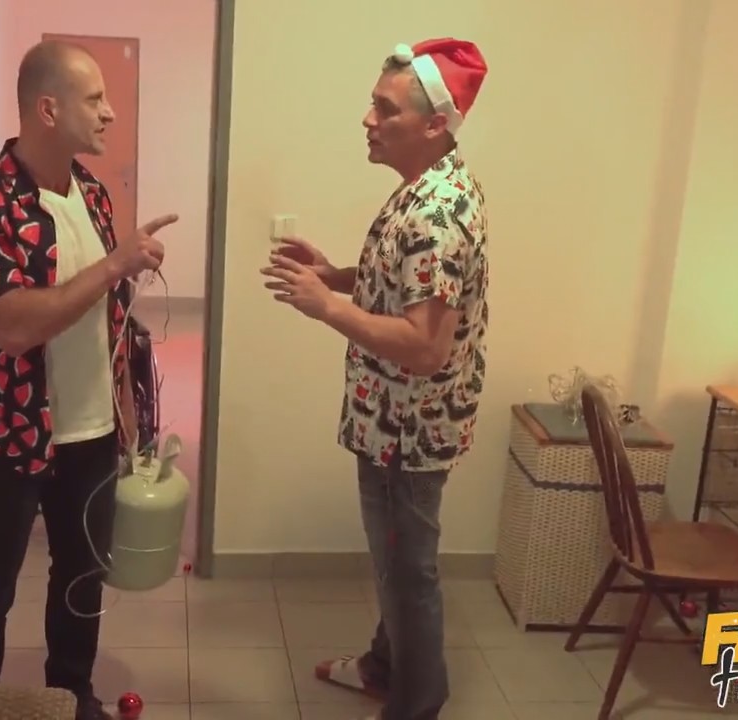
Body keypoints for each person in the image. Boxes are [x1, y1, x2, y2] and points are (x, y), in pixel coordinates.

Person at [0, 40, 177, 720]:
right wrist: (114, 264)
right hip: (6, 436)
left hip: (91, 434)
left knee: (81, 577)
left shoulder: (92, 193)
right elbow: (12, 326)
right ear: (48, 109)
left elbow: (108, 314)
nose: (109, 113)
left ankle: (72, 696)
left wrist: (127, 408)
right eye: (94, 99)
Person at [260, 38, 491, 720]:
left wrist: (327, 306)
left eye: (385, 109)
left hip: (406, 435)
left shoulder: (436, 217)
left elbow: (424, 346)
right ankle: (383, 667)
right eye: (373, 104)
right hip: (394, 422)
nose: (368, 119)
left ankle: (416, 702)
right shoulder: (428, 189)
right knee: (398, 565)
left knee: (407, 573)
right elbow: (405, 287)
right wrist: (335, 275)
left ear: (434, 124)